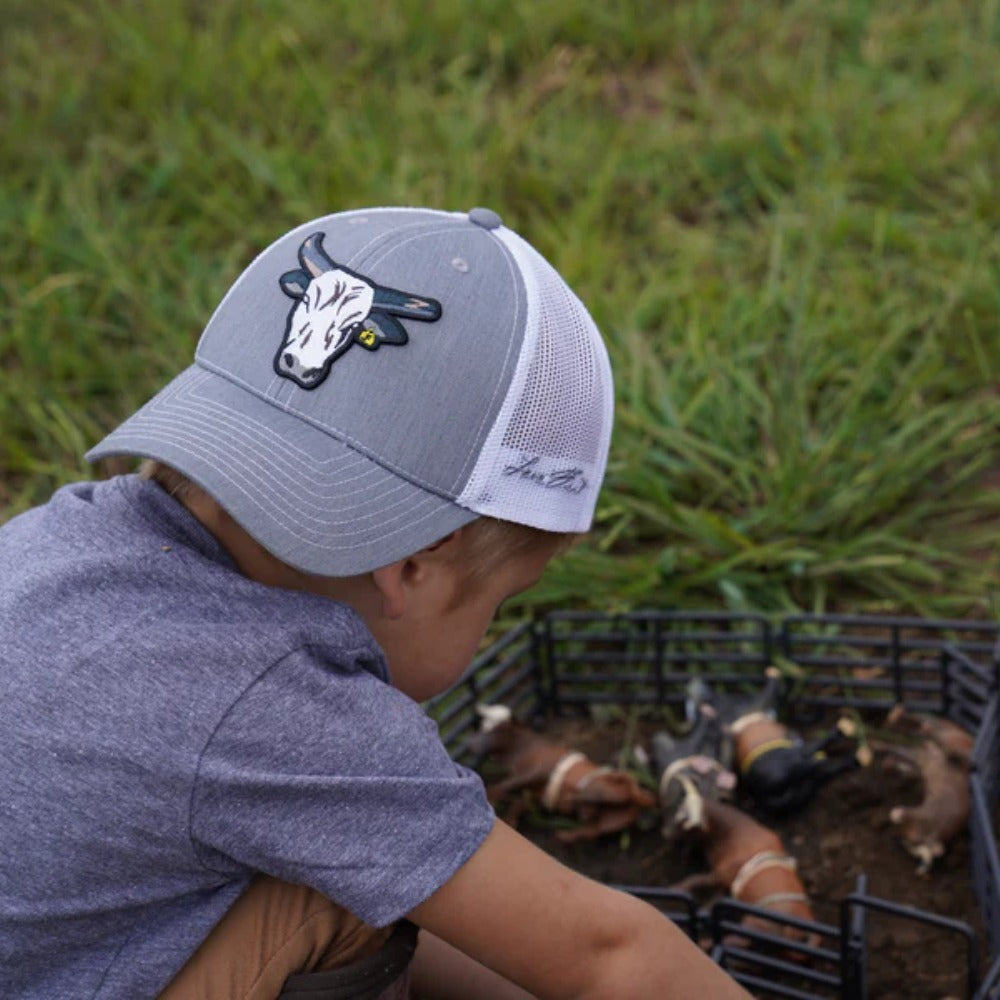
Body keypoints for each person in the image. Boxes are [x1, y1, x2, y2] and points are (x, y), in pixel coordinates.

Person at [0, 205, 752, 999]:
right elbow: (609, 955)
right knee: (340, 887)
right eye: (504, 596)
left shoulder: (52, 541)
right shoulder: (285, 712)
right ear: (415, 566)